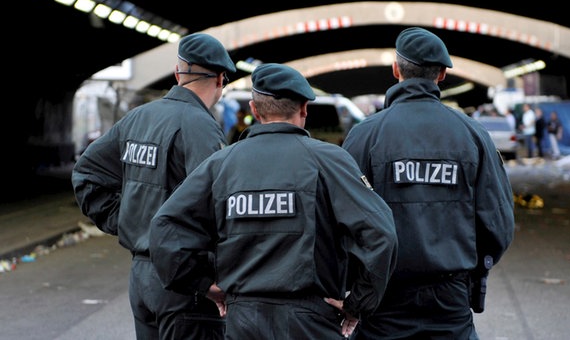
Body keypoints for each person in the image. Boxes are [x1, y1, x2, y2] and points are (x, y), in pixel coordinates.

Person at [149, 63, 399, 339]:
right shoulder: (329, 161)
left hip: (242, 319)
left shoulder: (222, 163)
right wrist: (358, 304)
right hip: (310, 321)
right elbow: (380, 234)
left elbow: (165, 226)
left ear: (255, 111)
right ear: (304, 109)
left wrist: (204, 284)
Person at [341, 27, 515, 339]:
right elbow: (498, 222)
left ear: (396, 70)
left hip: (383, 295)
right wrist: (475, 269)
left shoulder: (365, 136)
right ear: (443, 74)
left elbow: (341, 220)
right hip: (450, 297)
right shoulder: (473, 135)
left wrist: (356, 287)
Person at [72, 32, 236, 340]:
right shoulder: (201, 128)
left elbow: (87, 173)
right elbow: (219, 208)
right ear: (220, 79)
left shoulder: (138, 118)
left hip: (142, 279)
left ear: (178, 74)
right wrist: (207, 277)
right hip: (185, 285)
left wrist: (125, 221)